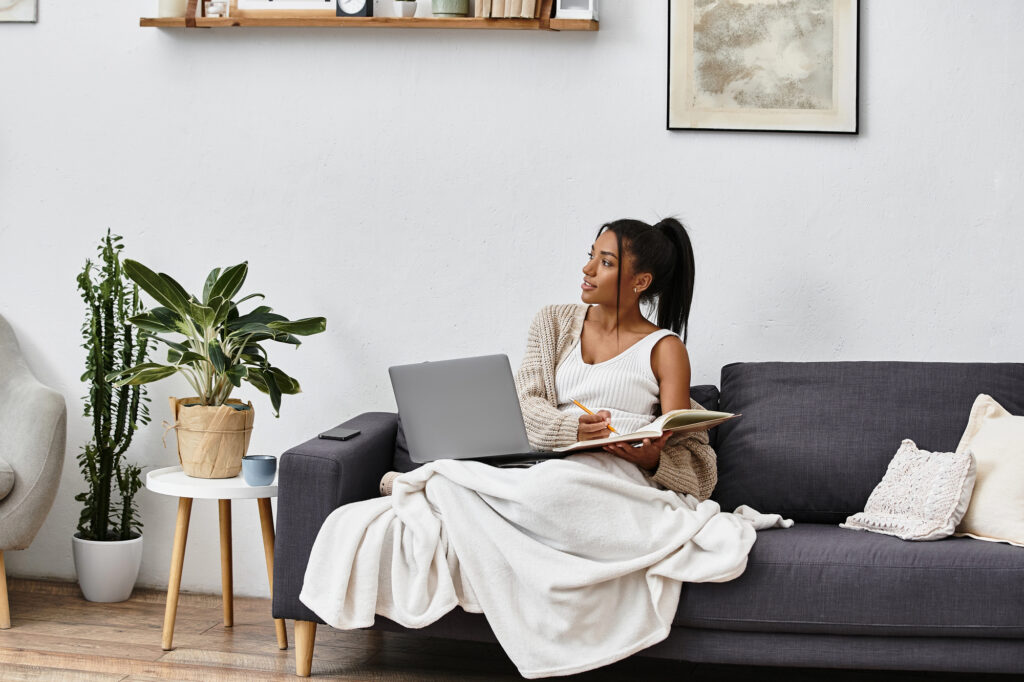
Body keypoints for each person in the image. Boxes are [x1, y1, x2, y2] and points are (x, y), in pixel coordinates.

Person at [513, 217, 718, 500]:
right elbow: (524, 404)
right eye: (591, 256)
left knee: (555, 489)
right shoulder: (552, 322)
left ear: (641, 281)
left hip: (619, 474)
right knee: (441, 479)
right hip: (553, 465)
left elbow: (680, 443)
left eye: (606, 263)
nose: (587, 269)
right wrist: (572, 430)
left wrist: (652, 460)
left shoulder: (665, 348)